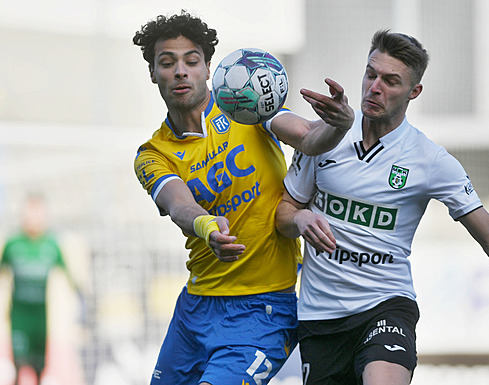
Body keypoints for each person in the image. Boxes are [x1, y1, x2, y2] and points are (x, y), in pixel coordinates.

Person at [275, 30, 489, 385]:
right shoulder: (326, 136)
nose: (374, 87)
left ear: (414, 92)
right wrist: (303, 217)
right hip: (320, 316)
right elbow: (284, 214)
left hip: (385, 305)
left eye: (390, 81)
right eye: (371, 74)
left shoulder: (429, 160)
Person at [131, 10, 354, 385]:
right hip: (195, 309)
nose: (180, 71)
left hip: (262, 310)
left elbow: (306, 136)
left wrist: (337, 126)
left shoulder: (244, 105)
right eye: (167, 63)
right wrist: (205, 226)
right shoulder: (152, 152)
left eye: (191, 61)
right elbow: (180, 204)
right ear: (154, 73)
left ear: (207, 67)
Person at [0, 193, 80, 385]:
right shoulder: (13, 244)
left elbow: (68, 276)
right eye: (29, 212)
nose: (33, 218)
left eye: (37, 213)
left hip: (40, 320)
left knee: (39, 372)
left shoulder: (51, 245)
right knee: (18, 369)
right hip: (19, 319)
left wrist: (82, 303)